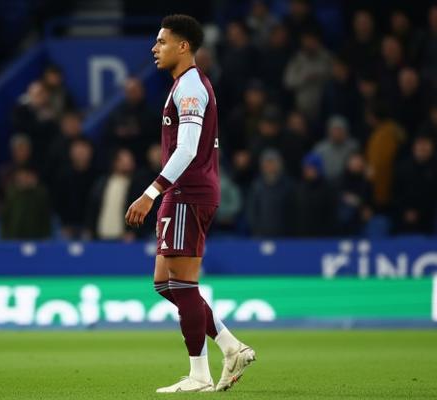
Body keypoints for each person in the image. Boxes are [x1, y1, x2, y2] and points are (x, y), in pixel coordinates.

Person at [124, 15, 255, 393]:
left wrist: (150, 193)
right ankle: (231, 347)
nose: (154, 48)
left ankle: (199, 374)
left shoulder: (192, 88)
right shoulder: (184, 85)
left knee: (182, 284)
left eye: (162, 42)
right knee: (165, 284)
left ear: (183, 46)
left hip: (187, 193)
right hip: (182, 193)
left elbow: (187, 149)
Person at [87, 148, 136, 241]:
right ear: (115, 162)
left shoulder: (136, 186)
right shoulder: (102, 182)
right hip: (100, 236)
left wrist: (133, 231)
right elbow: (93, 205)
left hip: (124, 239)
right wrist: (90, 228)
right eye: (122, 160)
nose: (126, 163)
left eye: (128, 160)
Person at [284, 29, 333, 122]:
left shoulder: (326, 57)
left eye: (312, 40)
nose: (309, 43)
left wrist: (320, 75)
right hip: (302, 109)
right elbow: (288, 82)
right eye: (307, 40)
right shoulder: (297, 60)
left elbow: (335, 76)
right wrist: (305, 77)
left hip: (325, 107)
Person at [393, 135, 437, 234]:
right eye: (420, 144)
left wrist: (420, 212)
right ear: (414, 147)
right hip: (403, 215)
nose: (423, 148)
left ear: (432, 147)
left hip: (429, 216)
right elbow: (396, 194)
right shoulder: (403, 168)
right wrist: (405, 211)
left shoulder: (434, 168)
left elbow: (432, 196)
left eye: (426, 144)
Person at [246, 149, 295, 237]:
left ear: (279, 165)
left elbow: (291, 211)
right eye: (267, 163)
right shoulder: (256, 186)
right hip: (261, 235)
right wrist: (256, 229)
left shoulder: (287, 185)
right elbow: (252, 210)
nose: (270, 166)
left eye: (272, 163)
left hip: (284, 235)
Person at [293, 152, 337, 236]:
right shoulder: (299, 188)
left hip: (323, 237)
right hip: (302, 237)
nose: (307, 171)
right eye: (305, 168)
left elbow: (331, 217)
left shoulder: (328, 189)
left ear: (318, 169)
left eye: (310, 168)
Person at [313, 115, 359, 182]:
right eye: (334, 130)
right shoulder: (320, 148)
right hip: (325, 183)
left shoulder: (353, 146)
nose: (337, 133)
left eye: (340, 130)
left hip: (348, 182)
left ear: (346, 131)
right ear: (329, 131)